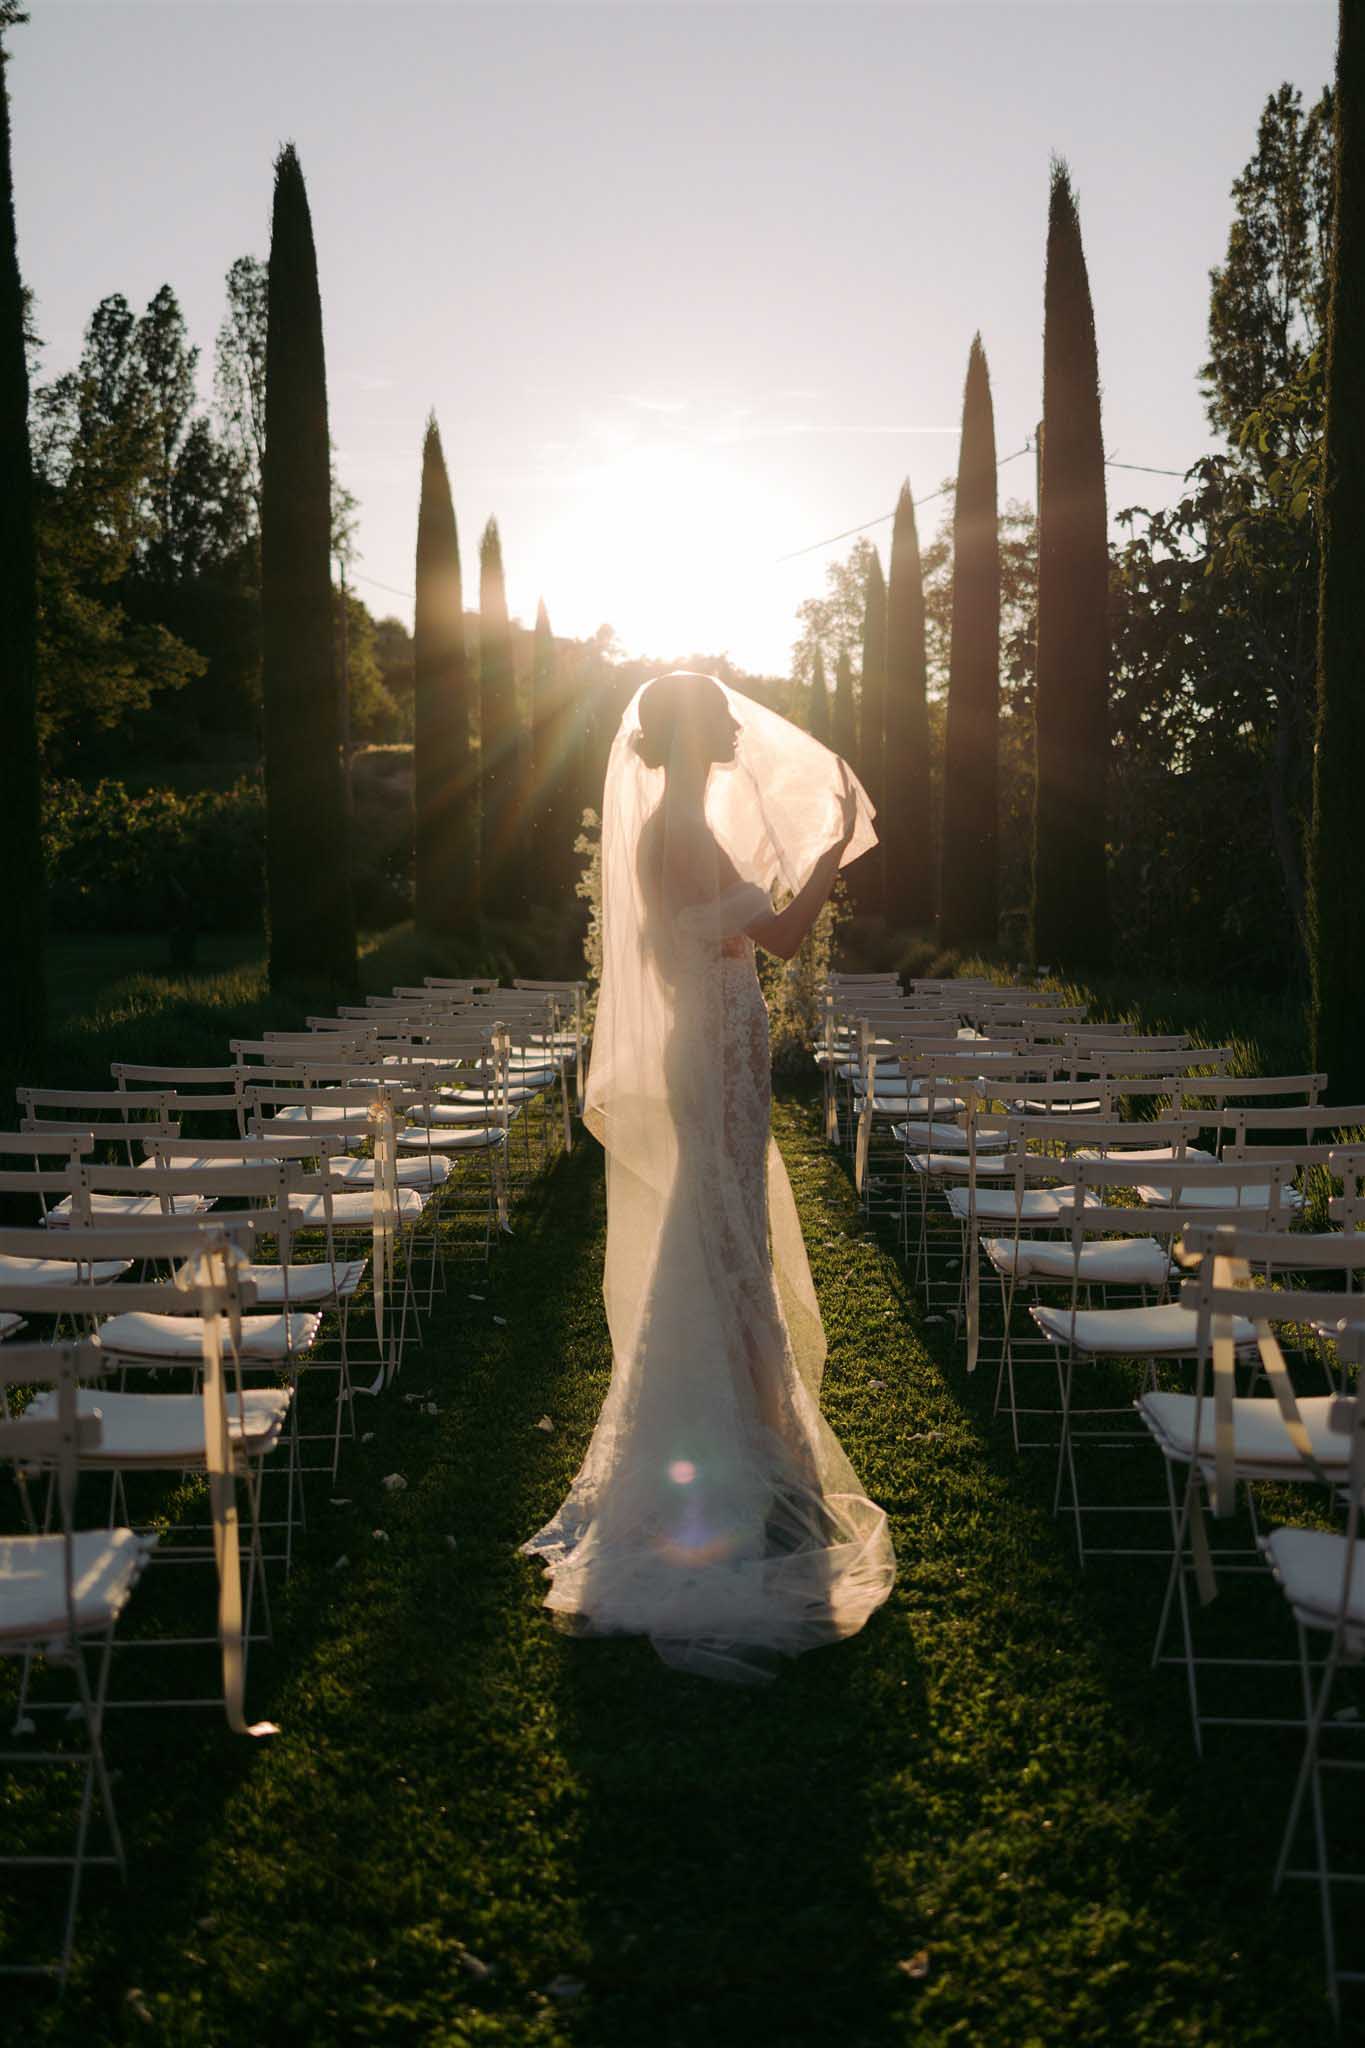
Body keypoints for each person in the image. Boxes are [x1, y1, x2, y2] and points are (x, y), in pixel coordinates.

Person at [522, 671, 895, 1683]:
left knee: (728, 1231)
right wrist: (828, 848)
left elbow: (734, 935)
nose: (738, 723)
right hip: (714, 1051)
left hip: (722, 1045)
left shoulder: (683, 820)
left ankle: (749, 1443)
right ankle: (741, 1455)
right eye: (722, 717)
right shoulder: (677, 827)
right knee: (723, 1232)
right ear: (690, 736)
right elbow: (775, 934)